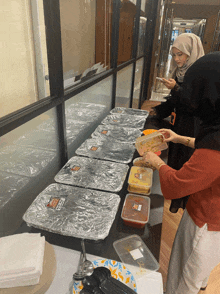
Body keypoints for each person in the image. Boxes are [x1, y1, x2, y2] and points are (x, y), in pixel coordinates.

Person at [143, 52, 220, 293]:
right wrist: (180, 138)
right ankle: (202, 282)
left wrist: (156, 163)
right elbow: (206, 145)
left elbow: (175, 185)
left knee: (183, 277)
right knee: (199, 271)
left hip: (206, 222)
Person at [150, 33, 205, 213]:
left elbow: (193, 104)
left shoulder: (199, 74)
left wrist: (176, 88)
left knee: (185, 160)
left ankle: (182, 201)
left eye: (180, 54)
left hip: (192, 126)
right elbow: (176, 101)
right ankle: (172, 193)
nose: (176, 59)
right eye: (174, 55)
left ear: (191, 52)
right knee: (174, 155)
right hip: (178, 122)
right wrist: (158, 110)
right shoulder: (179, 72)